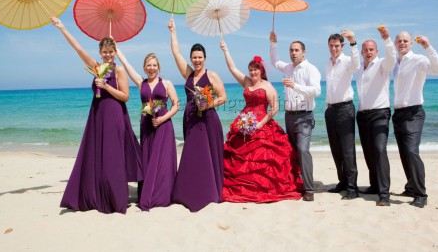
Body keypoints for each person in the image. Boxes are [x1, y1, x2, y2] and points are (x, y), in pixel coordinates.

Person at [51, 17, 142, 214]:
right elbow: (79, 49)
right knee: (96, 155)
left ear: (115, 52)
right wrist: (63, 28)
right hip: (97, 115)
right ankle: (96, 194)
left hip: (115, 115)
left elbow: (125, 96)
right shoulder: (97, 67)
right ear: (100, 53)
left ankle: (116, 198)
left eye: (110, 52)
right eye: (104, 52)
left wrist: (106, 86)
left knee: (113, 156)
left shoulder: (119, 70)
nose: (107, 55)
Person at [220, 40, 302, 203]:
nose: (253, 73)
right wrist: (225, 50)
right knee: (237, 157)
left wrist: (259, 125)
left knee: (264, 158)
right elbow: (232, 68)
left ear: (261, 70)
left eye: (255, 70)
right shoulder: (246, 82)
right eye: (250, 70)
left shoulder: (267, 86)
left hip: (261, 124)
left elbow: (274, 108)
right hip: (244, 123)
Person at [168, 19, 227, 212]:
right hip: (191, 120)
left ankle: (210, 192)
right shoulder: (188, 74)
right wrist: (173, 31)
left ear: (205, 58)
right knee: (192, 156)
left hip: (208, 120)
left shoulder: (212, 75)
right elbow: (175, 53)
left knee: (209, 156)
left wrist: (208, 103)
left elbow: (223, 97)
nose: (197, 60)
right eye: (194, 57)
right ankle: (189, 191)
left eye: (200, 57)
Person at [116, 50, 179, 211]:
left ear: (158, 67)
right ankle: (146, 193)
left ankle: (162, 194)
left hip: (163, 126)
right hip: (146, 126)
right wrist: (117, 51)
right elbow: (127, 66)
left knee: (162, 161)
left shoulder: (167, 84)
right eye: (149, 65)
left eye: (154, 65)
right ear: (144, 68)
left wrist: (162, 119)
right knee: (147, 161)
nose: (152, 68)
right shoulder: (140, 82)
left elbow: (176, 105)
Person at [387, 29, 438, 208]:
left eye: (405, 41)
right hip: (398, 113)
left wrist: (428, 46)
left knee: (412, 151)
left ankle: (421, 194)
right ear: (395, 44)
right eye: (399, 41)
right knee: (404, 153)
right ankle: (411, 186)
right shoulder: (395, 63)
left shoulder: (419, 59)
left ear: (411, 44)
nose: (402, 43)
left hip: (414, 113)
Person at [269, 31, 321, 202]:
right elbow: (275, 61)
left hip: (304, 116)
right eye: (291, 50)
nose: (293, 53)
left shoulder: (310, 69)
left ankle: (310, 189)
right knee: (291, 151)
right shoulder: (288, 68)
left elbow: (316, 91)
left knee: (303, 150)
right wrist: (273, 44)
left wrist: (296, 86)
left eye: (296, 50)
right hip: (289, 116)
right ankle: (296, 183)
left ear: (303, 52)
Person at [355, 27, 396, 206]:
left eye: (371, 49)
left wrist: (387, 39)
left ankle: (384, 194)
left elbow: (392, 58)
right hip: (363, 115)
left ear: (376, 51)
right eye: (366, 50)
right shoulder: (360, 70)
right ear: (362, 52)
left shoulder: (382, 65)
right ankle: (374, 185)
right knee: (369, 152)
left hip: (380, 113)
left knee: (379, 150)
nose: (368, 52)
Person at [325, 29, 360, 200]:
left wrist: (353, 42)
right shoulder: (327, 63)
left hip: (345, 109)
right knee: (335, 149)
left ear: (342, 46)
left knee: (347, 150)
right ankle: (343, 182)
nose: (334, 48)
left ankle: (352, 187)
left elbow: (357, 65)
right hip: (330, 110)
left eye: (337, 46)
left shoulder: (347, 61)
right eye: (331, 46)